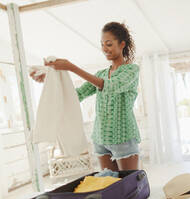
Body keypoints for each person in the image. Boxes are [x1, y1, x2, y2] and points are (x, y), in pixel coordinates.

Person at [30, 22, 141, 171]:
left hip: (123, 138)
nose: (104, 49)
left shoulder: (131, 70)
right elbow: (76, 95)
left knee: (129, 186)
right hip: (100, 139)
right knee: (108, 185)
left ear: (122, 44)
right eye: (102, 44)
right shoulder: (101, 74)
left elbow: (109, 86)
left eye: (108, 44)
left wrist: (72, 67)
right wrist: (49, 80)